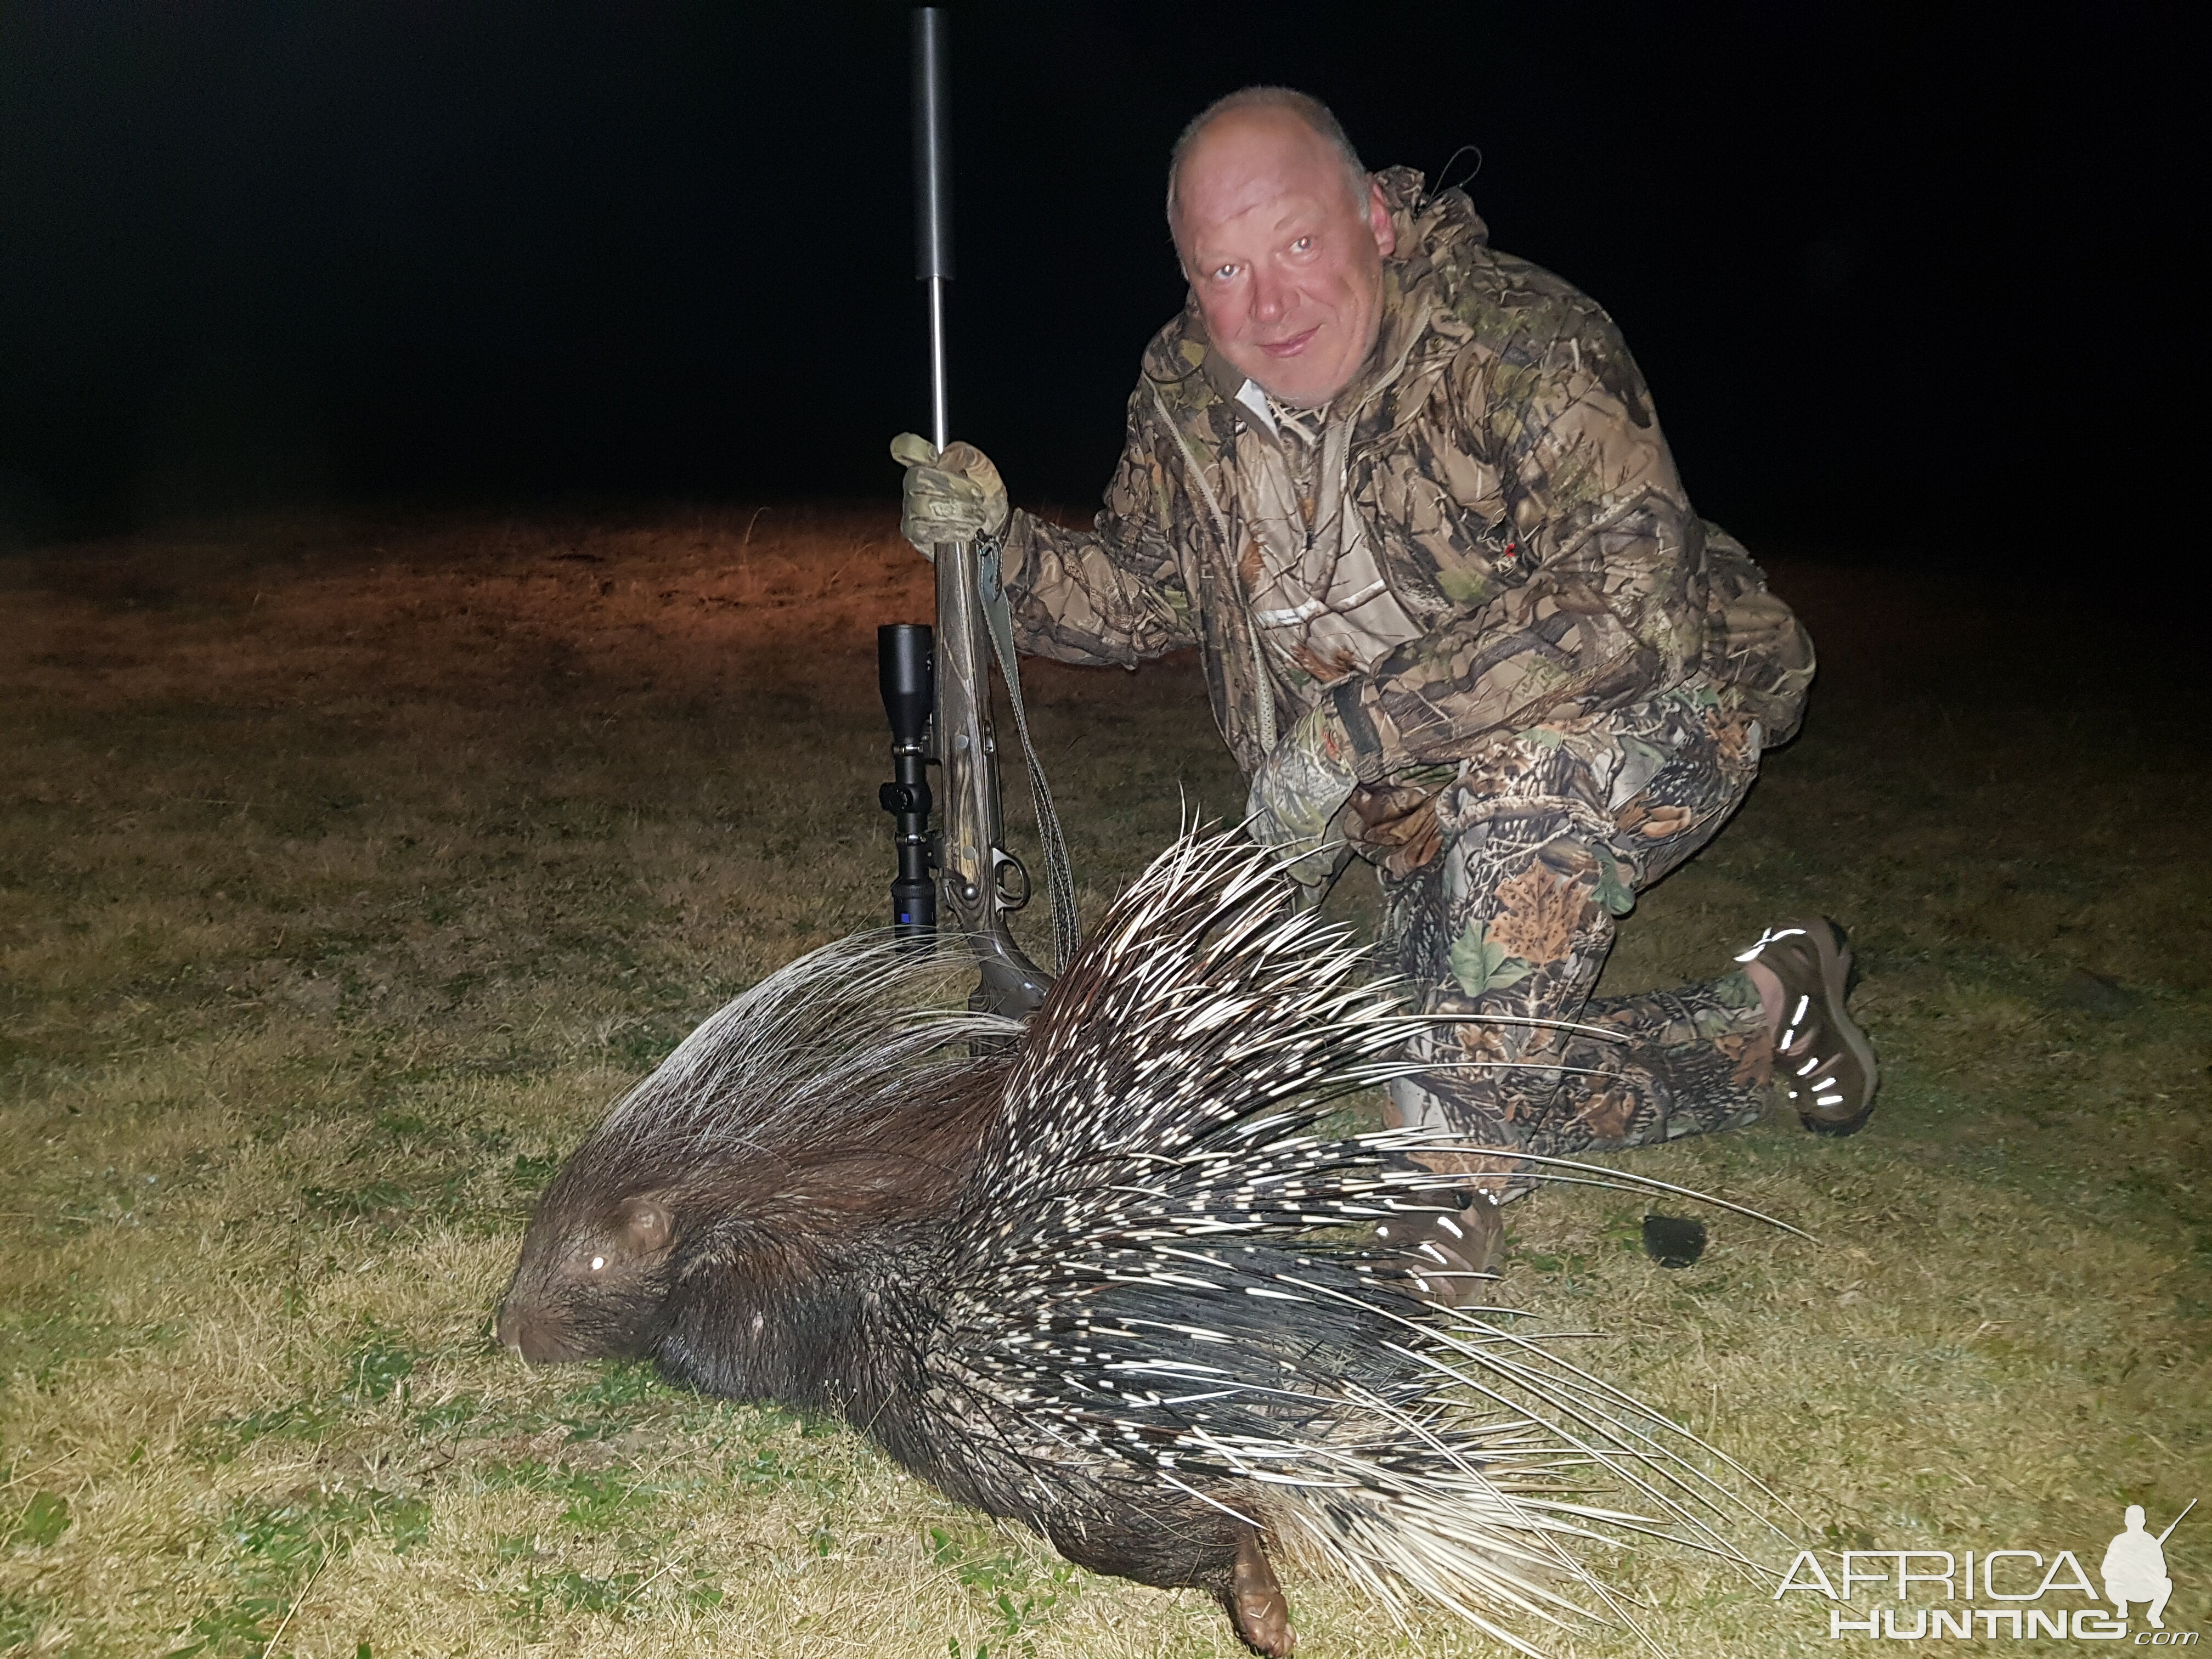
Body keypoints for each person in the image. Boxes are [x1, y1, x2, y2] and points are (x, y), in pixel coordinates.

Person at [893, 87, 1875, 1300]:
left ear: (1375, 217)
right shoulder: (1186, 391)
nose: (1269, 303)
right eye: (1224, 269)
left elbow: (1627, 596)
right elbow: (1145, 594)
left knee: (1527, 808)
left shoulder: (1518, 338)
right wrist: (996, 549)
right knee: (1442, 1054)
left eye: (1298, 243)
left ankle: (1446, 1188)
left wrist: (1346, 737)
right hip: (1415, 801)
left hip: (1661, 705)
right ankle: (1772, 1011)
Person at [2102, 1506, 2175, 1628]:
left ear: (2143, 1522)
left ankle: (2154, 1615)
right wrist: (2122, 1569)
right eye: (2132, 1520)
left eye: (2136, 1520)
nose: (2134, 1524)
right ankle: (2122, 1605)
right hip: (2123, 1588)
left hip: (2145, 1589)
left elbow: (2162, 1570)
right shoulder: (2119, 1541)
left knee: (2166, 1583)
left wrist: (2146, 1568)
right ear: (2126, 1522)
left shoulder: (2150, 1542)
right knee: (2110, 1583)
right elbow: (2106, 1569)